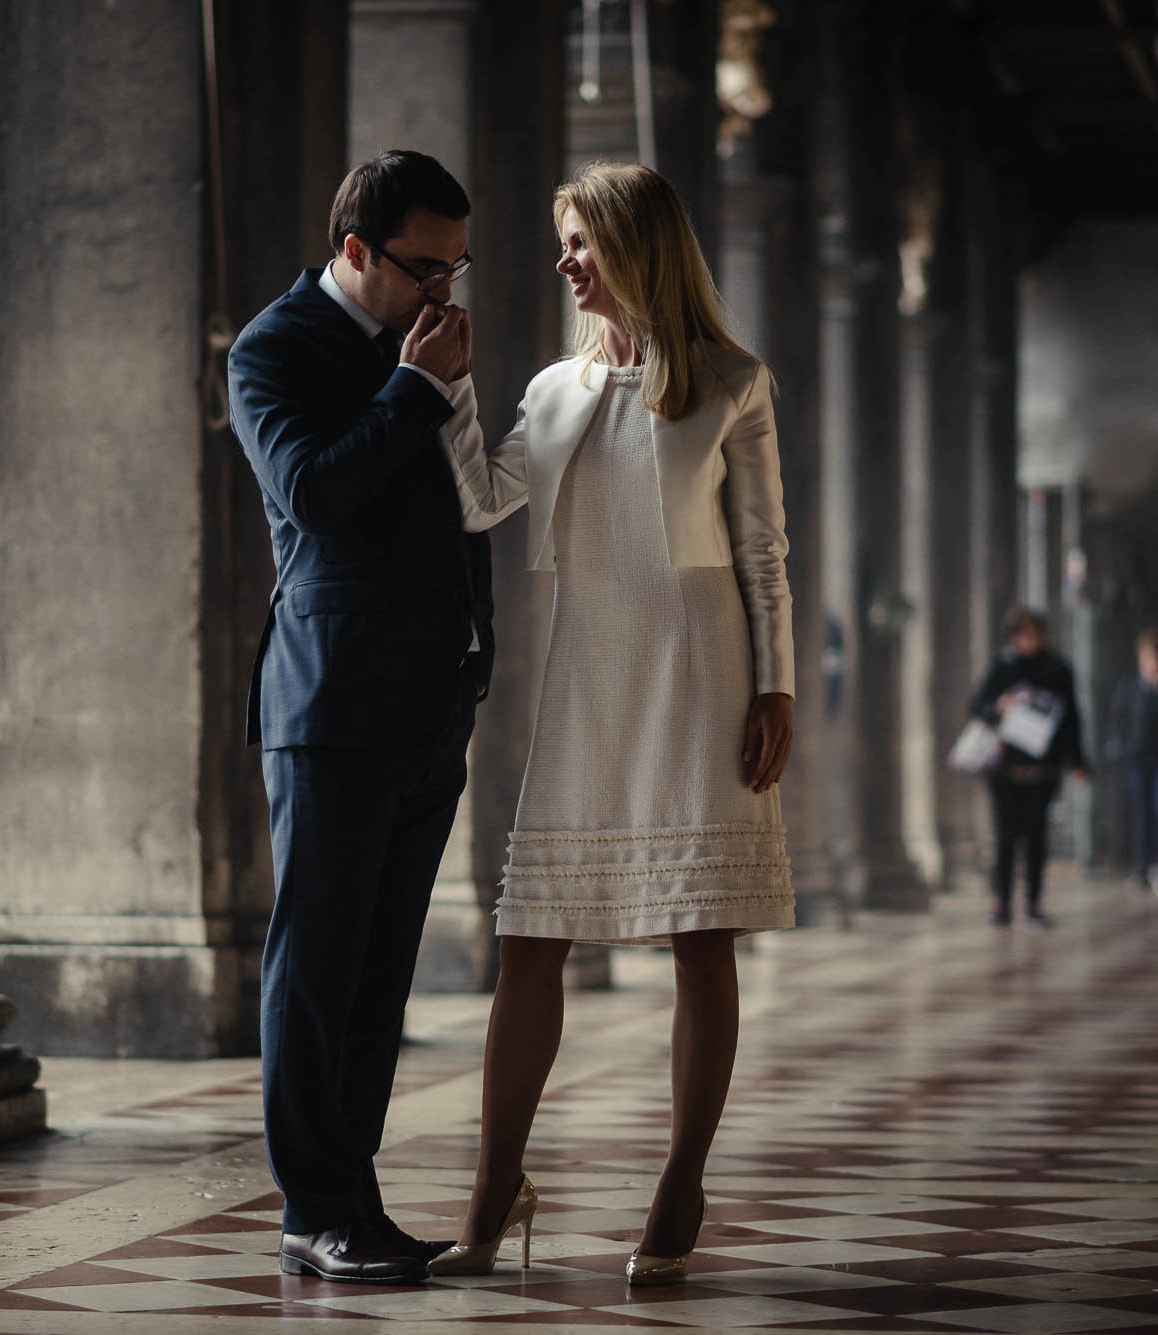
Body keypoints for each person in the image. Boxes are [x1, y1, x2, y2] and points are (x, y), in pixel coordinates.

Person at [425, 162, 796, 1286]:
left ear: (637, 246)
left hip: (701, 668)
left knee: (699, 937)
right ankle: (494, 1187)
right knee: (531, 939)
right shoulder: (553, 390)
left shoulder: (731, 381)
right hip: (588, 672)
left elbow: (762, 552)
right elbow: (476, 500)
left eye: (581, 241)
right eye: (564, 242)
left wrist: (774, 687)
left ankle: (681, 1180)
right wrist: (451, 389)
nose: (564, 262)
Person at [227, 149, 489, 1285]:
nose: (444, 289)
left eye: (457, 266)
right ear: (354, 249)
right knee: (317, 965)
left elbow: (460, 505)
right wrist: (416, 388)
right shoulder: (273, 347)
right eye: (425, 266)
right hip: (329, 701)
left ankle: (355, 1197)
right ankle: (312, 1208)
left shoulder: (418, 347)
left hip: (432, 700)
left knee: (381, 972)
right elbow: (313, 493)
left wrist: (476, 655)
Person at [969, 607, 1089, 928]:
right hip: (1005, 768)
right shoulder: (1002, 666)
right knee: (1005, 837)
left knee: (1036, 837)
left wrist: (1077, 762)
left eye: (1035, 634)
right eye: (1023, 635)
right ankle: (1002, 902)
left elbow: (1072, 720)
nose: (1029, 641)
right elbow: (977, 705)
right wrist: (999, 706)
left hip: (1042, 767)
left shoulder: (1057, 670)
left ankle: (1034, 903)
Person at [1104, 630, 1158, 897]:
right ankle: (1141, 866)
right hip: (1136, 761)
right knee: (1140, 814)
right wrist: (1120, 751)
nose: (1154, 663)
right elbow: (1118, 721)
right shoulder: (1129, 686)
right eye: (1149, 657)